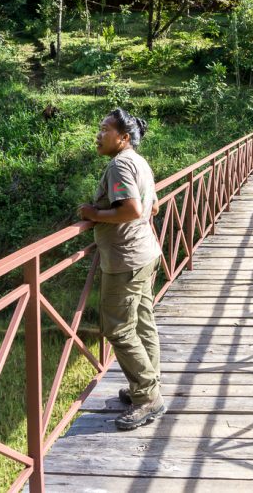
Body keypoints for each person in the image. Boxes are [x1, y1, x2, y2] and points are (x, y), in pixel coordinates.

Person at [79, 108, 165, 431]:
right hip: (146, 253)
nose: (99, 135)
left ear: (124, 138)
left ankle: (147, 398)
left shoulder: (118, 165)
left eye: (105, 130)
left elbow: (131, 209)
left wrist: (93, 213)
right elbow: (153, 206)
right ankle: (147, 385)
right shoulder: (140, 161)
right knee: (143, 323)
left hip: (126, 259)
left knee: (117, 327)